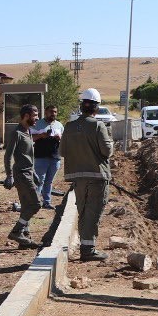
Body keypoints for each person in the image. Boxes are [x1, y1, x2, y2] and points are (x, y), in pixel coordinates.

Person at [60, 87, 115, 261]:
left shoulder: (69, 127)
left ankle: (86, 246)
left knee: (83, 210)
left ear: (81, 106)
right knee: (93, 211)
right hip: (97, 177)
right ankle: (88, 250)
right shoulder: (98, 126)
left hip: (77, 177)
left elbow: (62, 151)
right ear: (96, 108)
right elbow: (107, 152)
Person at [3, 104, 41, 248]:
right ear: (26, 116)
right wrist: (9, 175)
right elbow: (8, 156)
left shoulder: (28, 131)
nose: (37, 118)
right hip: (21, 174)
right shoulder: (17, 133)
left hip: (29, 173)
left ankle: (24, 238)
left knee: (26, 206)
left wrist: (34, 173)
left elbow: (28, 156)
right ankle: (17, 231)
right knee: (36, 204)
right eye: (35, 116)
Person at [31, 104, 64, 209]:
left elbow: (64, 140)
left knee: (49, 181)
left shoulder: (59, 125)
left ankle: (47, 202)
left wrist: (60, 138)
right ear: (45, 112)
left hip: (55, 157)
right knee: (39, 180)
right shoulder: (37, 124)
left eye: (55, 112)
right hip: (41, 156)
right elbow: (30, 138)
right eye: (51, 111)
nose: (53, 114)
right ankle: (34, 202)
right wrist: (41, 135)